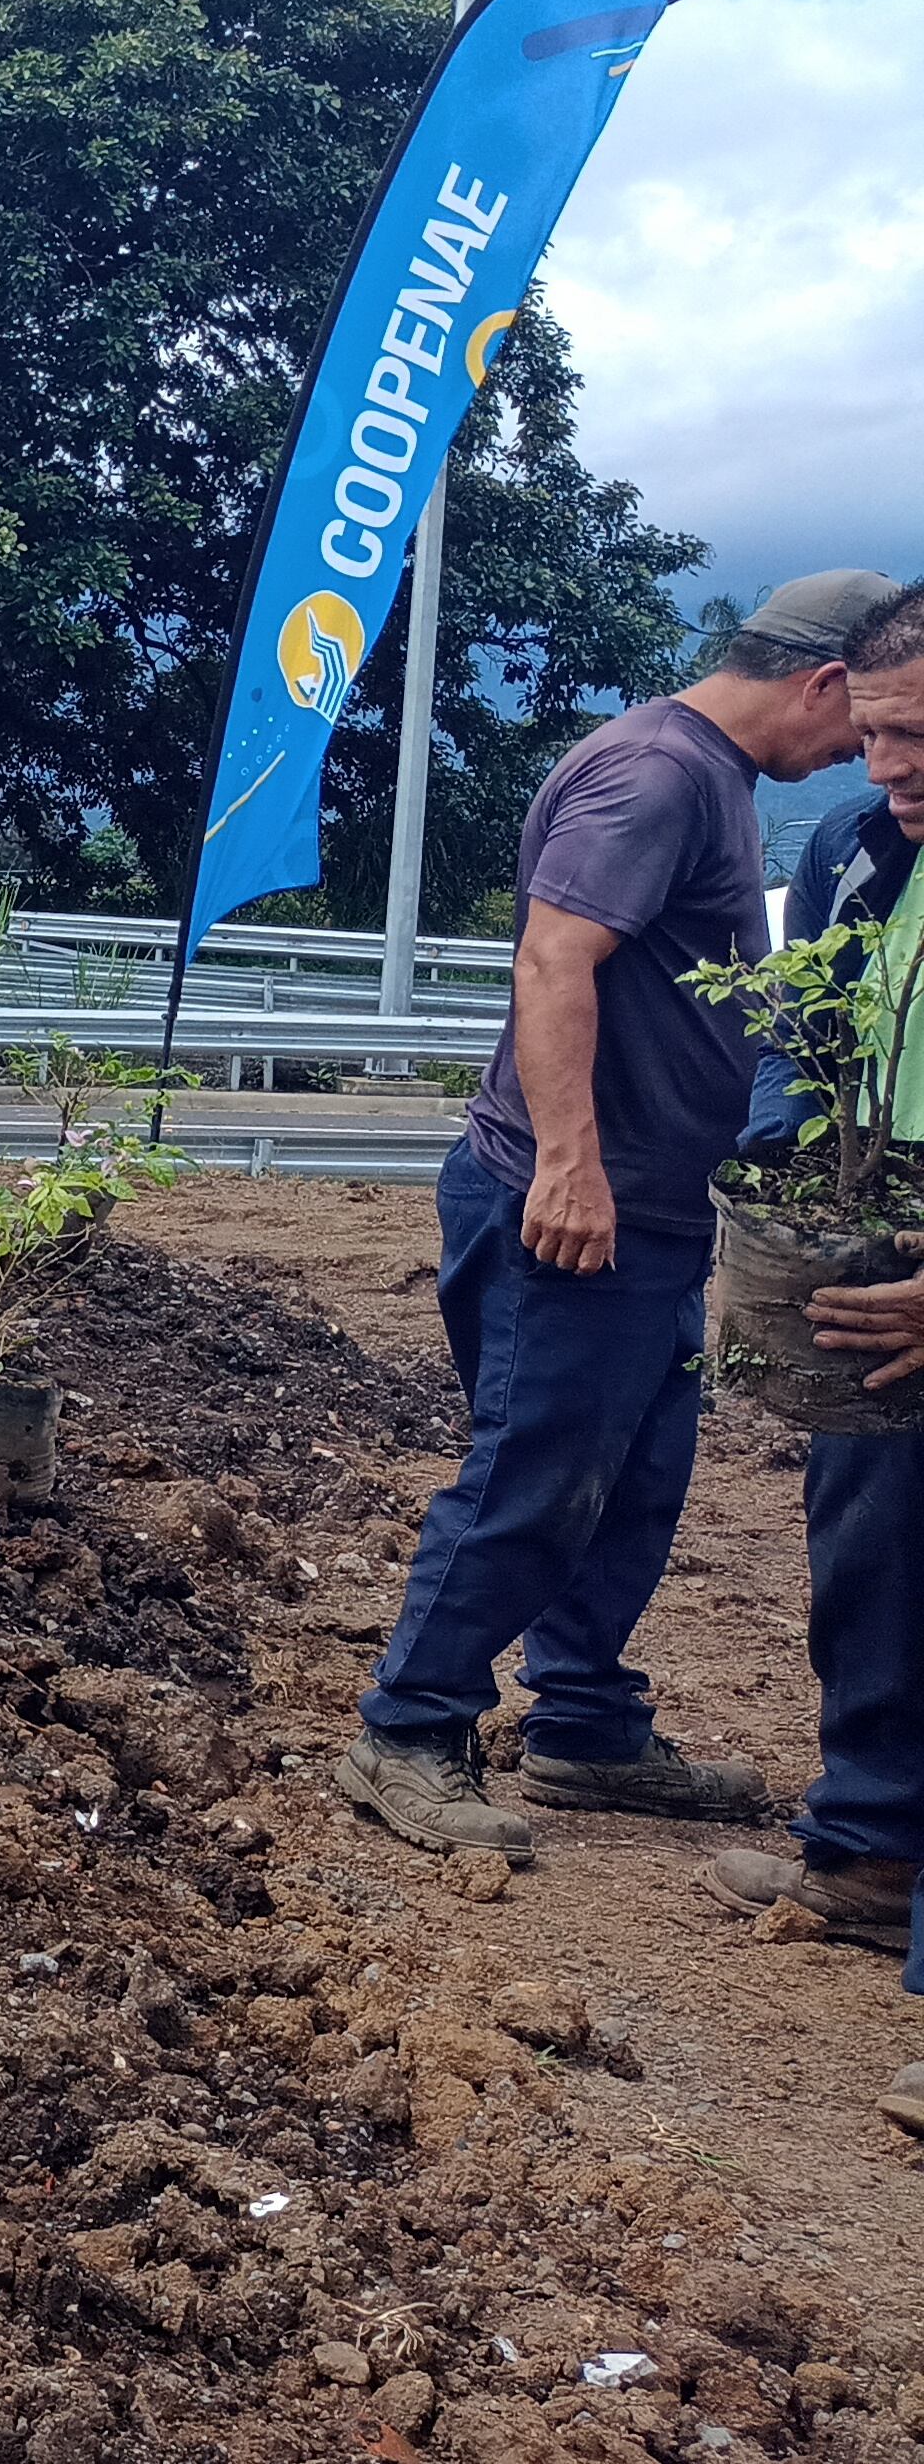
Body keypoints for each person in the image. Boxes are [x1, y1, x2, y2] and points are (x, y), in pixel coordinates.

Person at [336, 570, 887, 1863]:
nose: (858, 761)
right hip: (571, 1209)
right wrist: (568, 1167)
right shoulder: (654, 775)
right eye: (861, 730)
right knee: (536, 1470)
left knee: (631, 1480)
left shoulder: (713, 779)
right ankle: (406, 1730)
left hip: (645, 1212)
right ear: (821, 682)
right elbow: (552, 957)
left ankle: (585, 1724)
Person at [696, 582, 924, 2014]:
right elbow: (799, 1036)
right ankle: (870, 1854)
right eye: (882, 734)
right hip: (880, 1235)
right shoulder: (853, 847)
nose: (888, 767)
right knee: (869, 1552)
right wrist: (791, 1163)